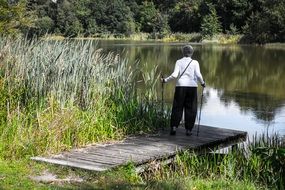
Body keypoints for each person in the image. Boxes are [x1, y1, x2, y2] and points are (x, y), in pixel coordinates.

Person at [161, 45, 205, 136]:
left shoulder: (178, 62)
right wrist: (202, 83)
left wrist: (165, 80)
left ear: (183, 52)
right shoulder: (195, 62)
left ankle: (174, 127)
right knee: (191, 108)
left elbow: (174, 75)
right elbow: (198, 75)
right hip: (192, 87)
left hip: (180, 86)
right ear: (192, 53)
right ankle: (188, 130)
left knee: (177, 107)